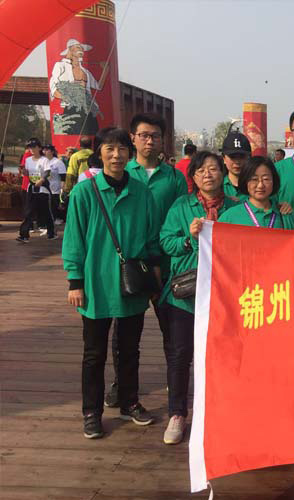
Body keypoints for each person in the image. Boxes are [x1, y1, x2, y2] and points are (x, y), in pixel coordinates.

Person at [62, 127, 160, 439]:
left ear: (130, 153)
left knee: (130, 349)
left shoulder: (141, 192)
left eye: (122, 149)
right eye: (109, 149)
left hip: (132, 284)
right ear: (100, 153)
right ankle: (91, 412)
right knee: (94, 353)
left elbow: (151, 238)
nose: (116, 155)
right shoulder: (84, 192)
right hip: (96, 284)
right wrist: (75, 281)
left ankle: (129, 402)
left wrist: (153, 277)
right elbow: (74, 238)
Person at [104, 113, 186, 408]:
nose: (149, 141)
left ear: (163, 140)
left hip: (168, 265)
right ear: (133, 138)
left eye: (155, 136)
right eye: (143, 135)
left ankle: (176, 381)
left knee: (172, 329)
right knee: (125, 332)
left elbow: (183, 215)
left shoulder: (174, 178)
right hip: (131, 266)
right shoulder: (122, 173)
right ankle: (121, 384)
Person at [159, 151, 239, 445]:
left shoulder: (236, 207)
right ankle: (177, 413)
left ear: (223, 173)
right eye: (201, 170)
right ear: (192, 176)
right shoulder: (181, 206)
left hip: (225, 294)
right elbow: (166, 242)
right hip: (187, 295)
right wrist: (188, 239)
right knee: (180, 355)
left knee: (224, 355)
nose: (208, 174)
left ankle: (220, 411)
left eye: (213, 169)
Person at [219, 156, 294, 229]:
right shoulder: (230, 217)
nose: (260, 185)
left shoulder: (284, 214)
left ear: (274, 181)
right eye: (254, 179)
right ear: (245, 181)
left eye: (266, 179)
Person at [17, 139, 55, 242]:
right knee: (28, 211)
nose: (32, 149)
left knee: (46, 211)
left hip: (43, 188)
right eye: (30, 147)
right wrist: (23, 171)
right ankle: (24, 235)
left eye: (34, 147)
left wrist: (42, 179)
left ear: (39, 148)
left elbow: (47, 171)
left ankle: (51, 233)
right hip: (32, 188)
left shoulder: (44, 160)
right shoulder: (28, 160)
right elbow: (27, 173)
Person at [39, 144, 65, 230]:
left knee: (53, 205)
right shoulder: (42, 161)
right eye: (44, 150)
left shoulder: (58, 162)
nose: (44, 151)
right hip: (43, 187)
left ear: (52, 152)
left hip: (55, 187)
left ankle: (55, 220)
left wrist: (62, 188)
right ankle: (45, 222)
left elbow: (63, 176)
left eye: (47, 150)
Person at [221, 129, 252, 198]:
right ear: (224, 158)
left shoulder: (257, 187)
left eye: (242, 156)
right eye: (232, 157)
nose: (237, 161)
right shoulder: (217, 187)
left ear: (249, 158)